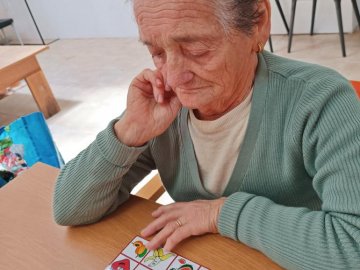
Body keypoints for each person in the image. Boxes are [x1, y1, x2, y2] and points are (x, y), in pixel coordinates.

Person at [53, 0, 360, 269]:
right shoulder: (164, 103)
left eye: (197, 50)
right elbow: (69, 209)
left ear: (258, 23)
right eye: (157, 52)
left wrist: (221, 213)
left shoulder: (321, 100)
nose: (174, 77)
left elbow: (352, 249)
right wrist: (127, 134)